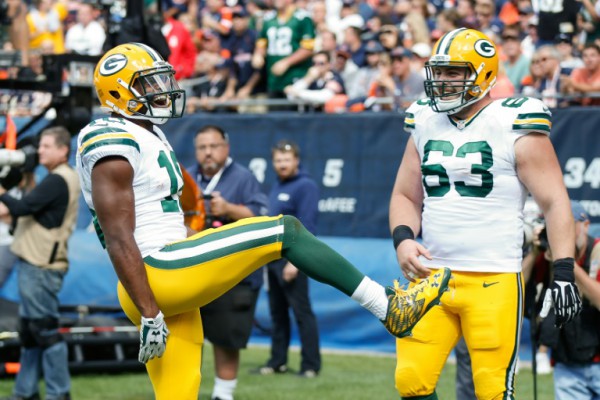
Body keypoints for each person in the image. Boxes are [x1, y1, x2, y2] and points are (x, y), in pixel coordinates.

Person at [76, 42, 451, 400]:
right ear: (119, 93)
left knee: (179, 391)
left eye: (161, 79)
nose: (162, 89)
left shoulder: (147, 132)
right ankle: (388, 307)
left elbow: (152, 216)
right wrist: (149, 311)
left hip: (163, 272)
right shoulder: (110, 138)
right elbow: (119, 235)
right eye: (149, 84)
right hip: (154, 272)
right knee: (285, 231)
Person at [390, 28, 582, 399]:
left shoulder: (513, 122)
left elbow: (556, 201)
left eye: (454, 72)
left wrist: (563, 272)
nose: (442, 82)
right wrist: (403, 239)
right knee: (411, 382)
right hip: (432, 276)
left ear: (484, 74)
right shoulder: (424, 120)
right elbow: (404, 194)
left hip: (493, 278)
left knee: (493, 391)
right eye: (439, 72)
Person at [187, 124, 268, 400]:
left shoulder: (243, 178)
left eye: (213, 146)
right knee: (188, 336)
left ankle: (223, 394)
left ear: (226, 147)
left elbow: (261, 218)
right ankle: (185, 390)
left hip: (233, 275)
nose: (208, 153)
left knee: (226, 338)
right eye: (202, 147)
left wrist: (229, 209)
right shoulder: (187, 178)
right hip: (195, 270)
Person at [0, 126, 80, 400]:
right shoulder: (56, 178)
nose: (39, 151)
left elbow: (21, 207)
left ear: (62, 150)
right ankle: (25, 391)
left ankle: (59, 393)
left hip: (41, 267)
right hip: (34, 264)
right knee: (31, 333)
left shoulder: (58, 179)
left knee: (44, 331)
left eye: (46, 146)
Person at [254, 140, 321, 378]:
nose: (282, 164)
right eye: (278, 160)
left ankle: (311, 366)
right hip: (273, 260)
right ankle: (277, 361)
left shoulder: (306, 186)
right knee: (277, 313)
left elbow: (308, 227)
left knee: (302, 312)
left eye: (287, 160)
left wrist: (295, 262)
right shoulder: (277, 185)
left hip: (293, 260)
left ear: (296, 161)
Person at [525, 201, 600, 400]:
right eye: (553, 227)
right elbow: (519, 288)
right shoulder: (546, 254)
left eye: (567, 225)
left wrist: (566, 264)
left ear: (585, 225)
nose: (559, 233)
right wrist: (534, 252)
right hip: (567, 363)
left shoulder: (597, 251)